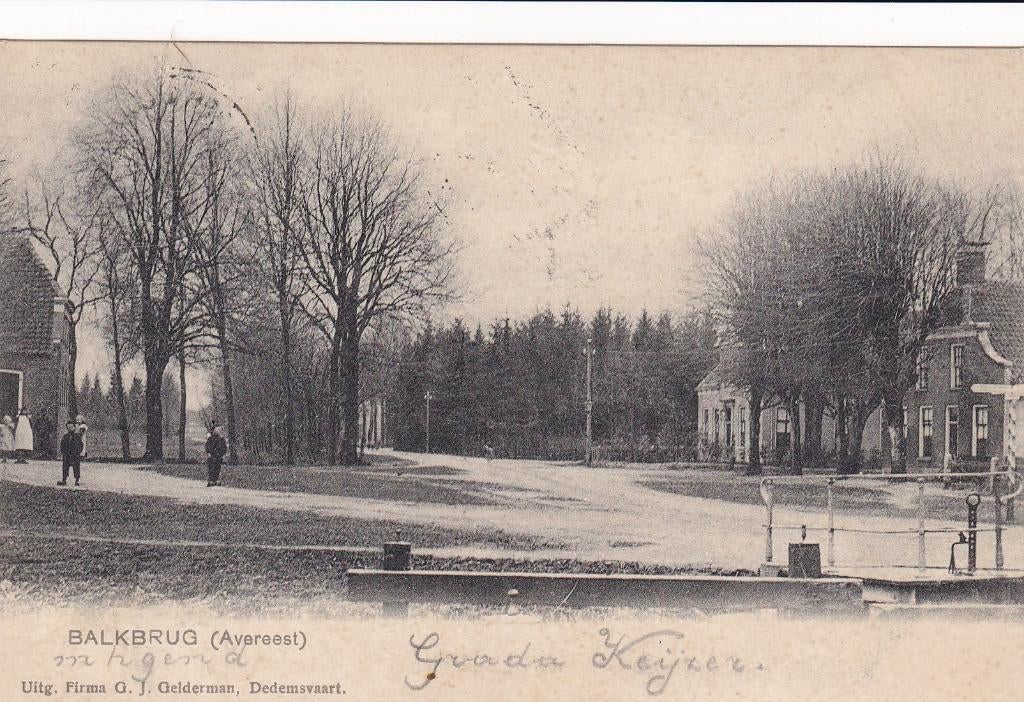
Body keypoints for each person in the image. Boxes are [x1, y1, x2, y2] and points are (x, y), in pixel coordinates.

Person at [58, 419, 83, 486]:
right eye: (68, 428)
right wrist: (64, 452)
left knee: (76, 467)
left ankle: (77, 480)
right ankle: (64, 480)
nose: (70, 429)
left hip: (75, 454)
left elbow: (81, 445)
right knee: (65, 467)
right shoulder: (65, 436)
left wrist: (78, 452)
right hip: (67, 454)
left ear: (74, 427)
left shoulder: (77, 436)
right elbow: (62, 445)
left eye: (71, 427)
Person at [205, 423, 228, 487]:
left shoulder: (221, 439)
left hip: (219, 455)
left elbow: (224, 447)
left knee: (217, 468)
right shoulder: (210, 438)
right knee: (211, 468)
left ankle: (215, 480)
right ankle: (211, 480)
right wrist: (208, 452)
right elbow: (207, 446)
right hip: (212, 455)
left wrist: (223, 454)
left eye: (219, 430)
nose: (218, 431)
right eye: (217, 430)